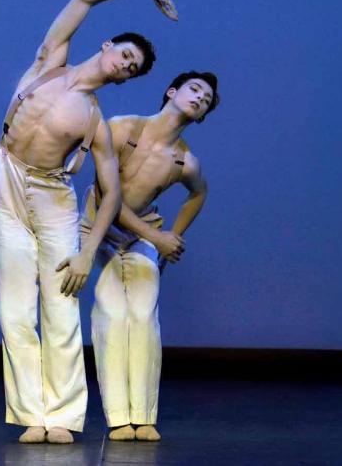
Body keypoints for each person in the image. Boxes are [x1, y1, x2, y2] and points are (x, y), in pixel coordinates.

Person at [0, 0, 177, 444]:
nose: (124, 67)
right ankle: (32, 413)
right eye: (125, 57)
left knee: (60, 304)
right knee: (15, 309)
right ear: (107, 46)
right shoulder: (49, 64)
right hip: (9, 180)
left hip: (53, 196)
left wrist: (86, 251)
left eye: (132, 70)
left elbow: (110, 193)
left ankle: (63, 415)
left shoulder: (95, 119)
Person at [81, 71, 220, 441]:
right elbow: (105, 195)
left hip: (143, 233)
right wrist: (157, 238)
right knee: (111, 314)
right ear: (172, 92)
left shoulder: (185, 162)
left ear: (202, 117)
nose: (200, 98)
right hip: (98, 231)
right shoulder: (123, 127)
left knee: (143, 316)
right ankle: (118, 419)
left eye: (206, 100)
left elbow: (199, 194)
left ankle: (143, 417)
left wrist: (172, 235)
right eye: (195, 90)